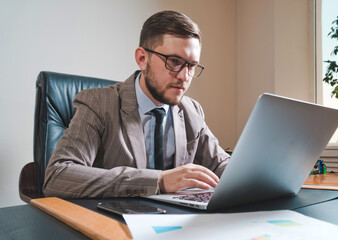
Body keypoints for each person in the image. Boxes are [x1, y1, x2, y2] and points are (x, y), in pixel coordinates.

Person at [43, 10, 230, 199]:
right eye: (174, 61)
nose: (184, 76)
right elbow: (58, 175)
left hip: (178, 219)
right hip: (113, 221)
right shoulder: (98, 103)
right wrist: (158, 181)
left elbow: (222, 166)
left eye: (191, 65)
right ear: (142, 58)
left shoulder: (192, 110)